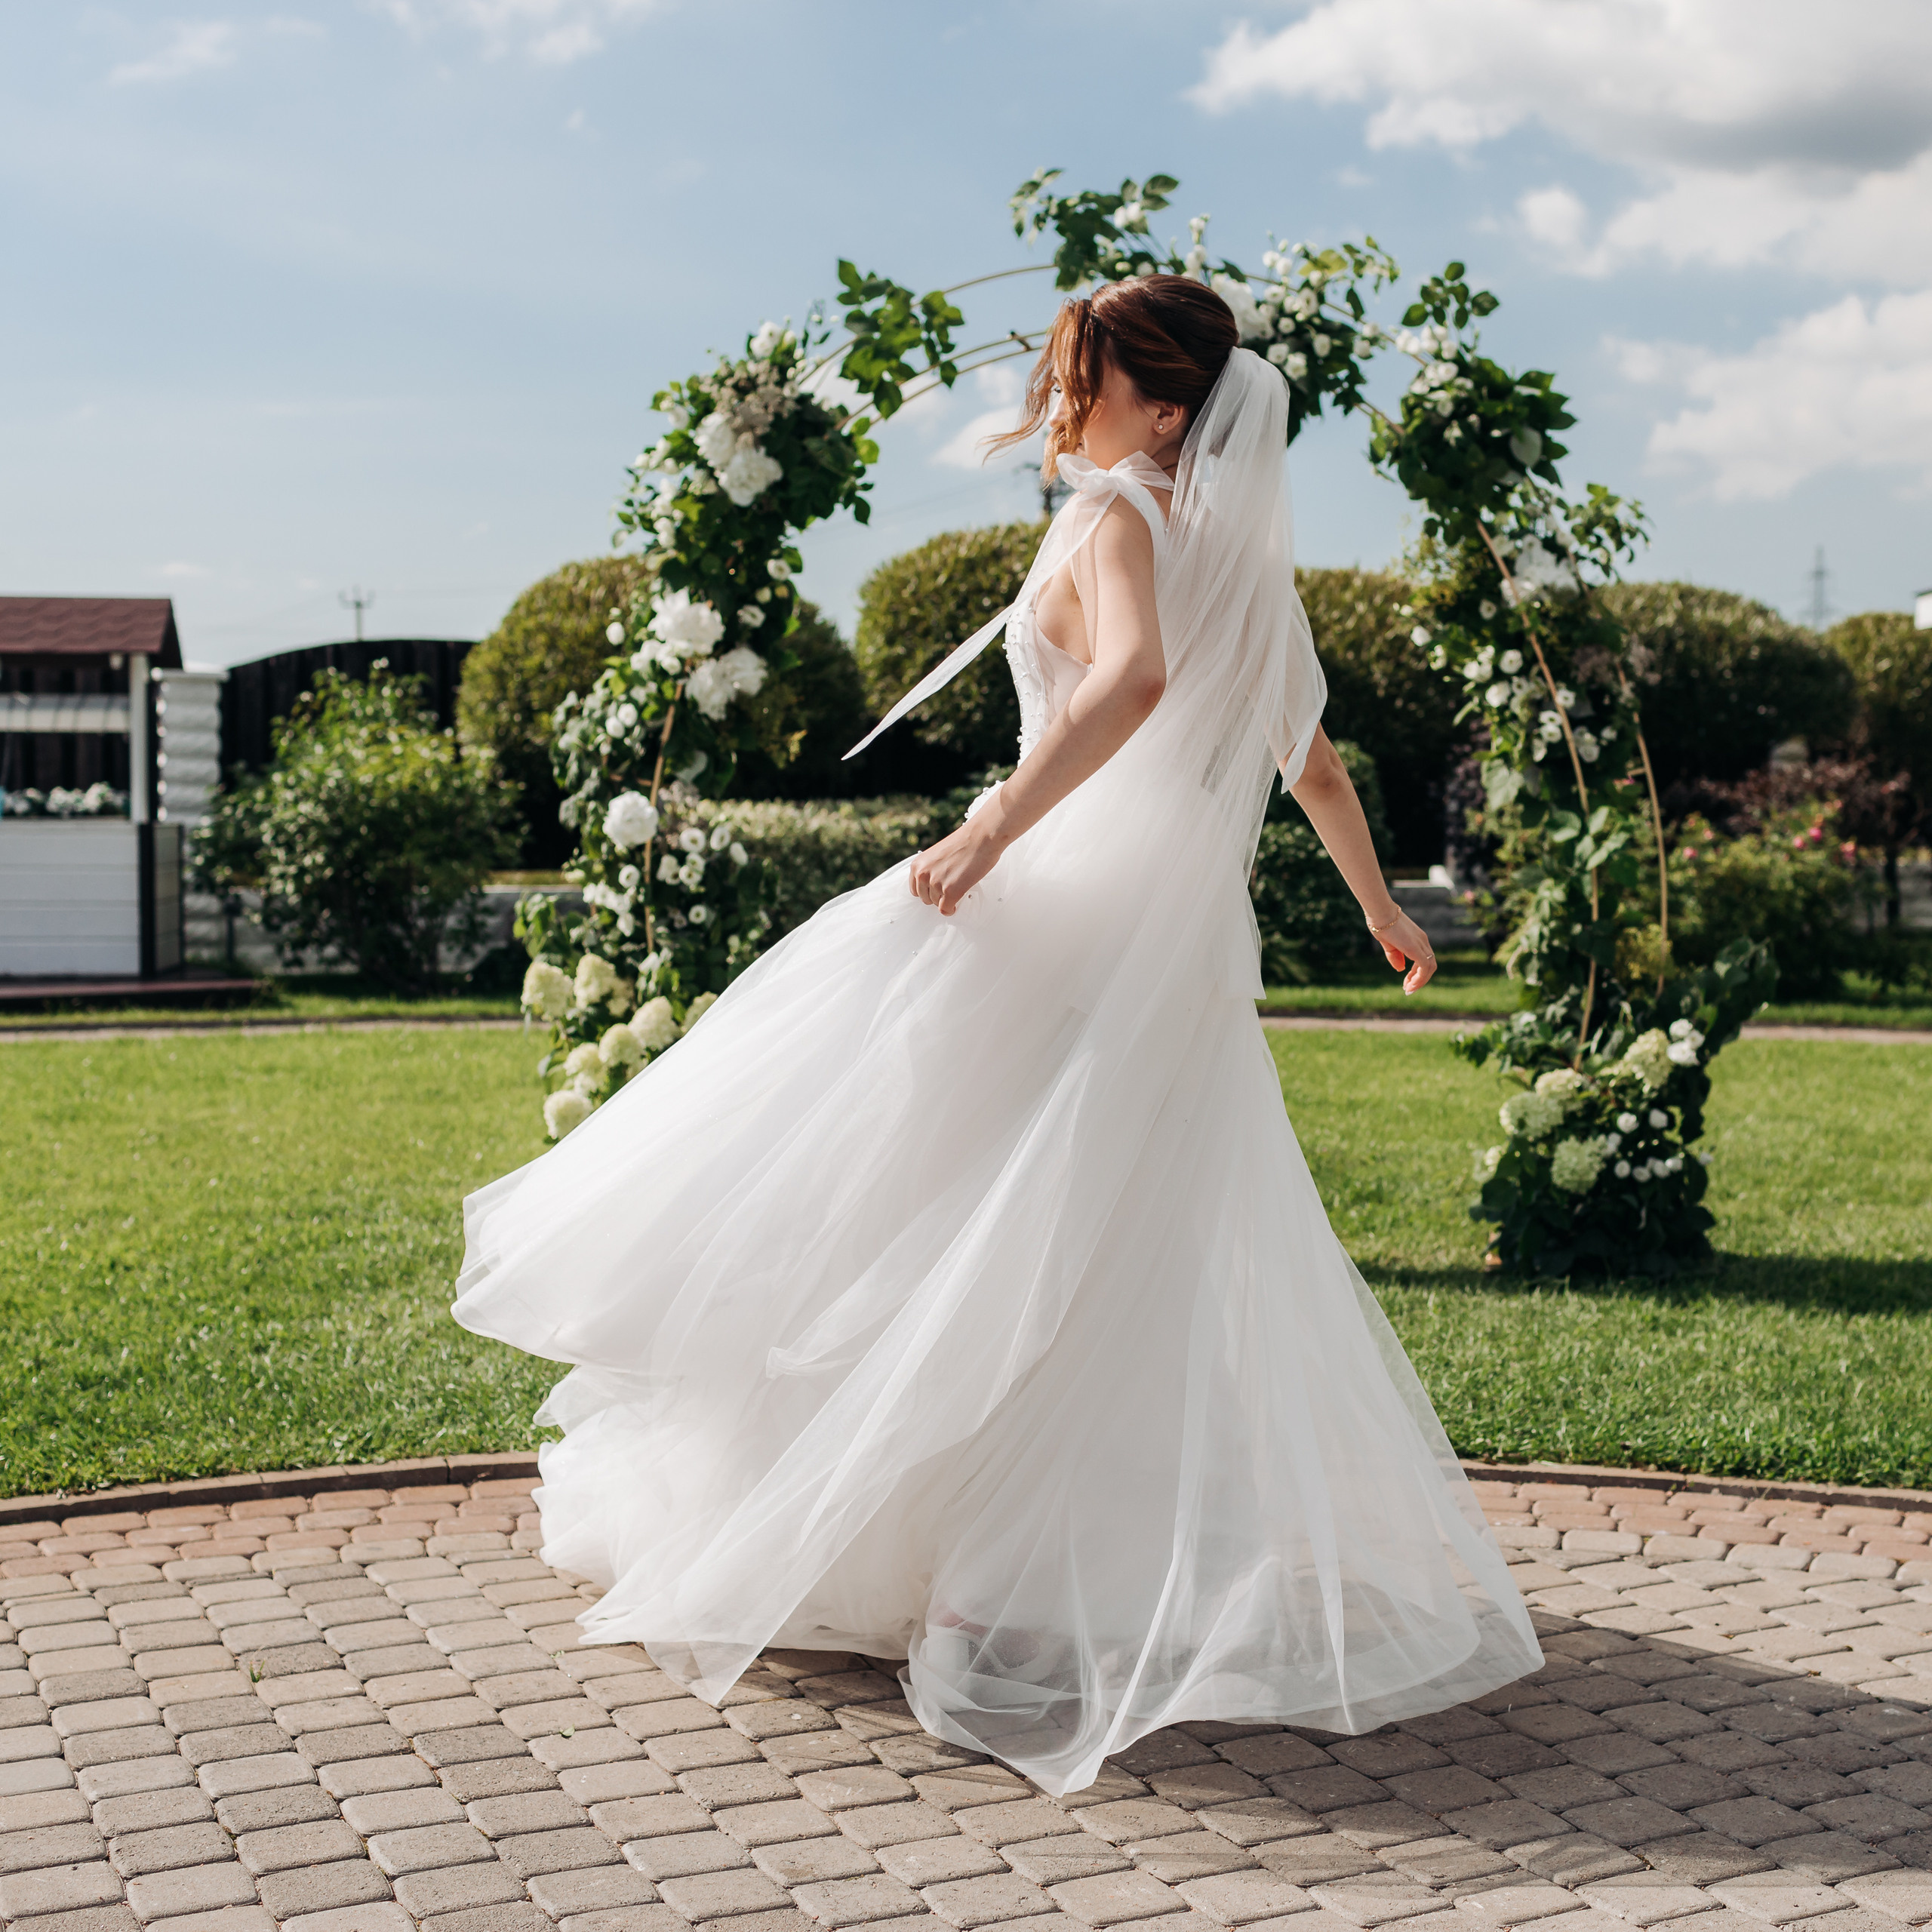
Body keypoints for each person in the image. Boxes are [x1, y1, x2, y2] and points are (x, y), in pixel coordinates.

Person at [453, 276, 1540, 1798]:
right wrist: (1379, 910)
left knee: (940, 1197)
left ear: (1162, 407)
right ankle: (1012, 1562)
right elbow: (1312, 765)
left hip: (1068, 900)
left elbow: (1133, 681)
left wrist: (992, 823)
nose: (1061, 394)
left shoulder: (1115, 524)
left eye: (1086, 375)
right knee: (1094, 1233)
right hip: (1173, 935)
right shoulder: (1243, 559)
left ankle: (954, 1566)